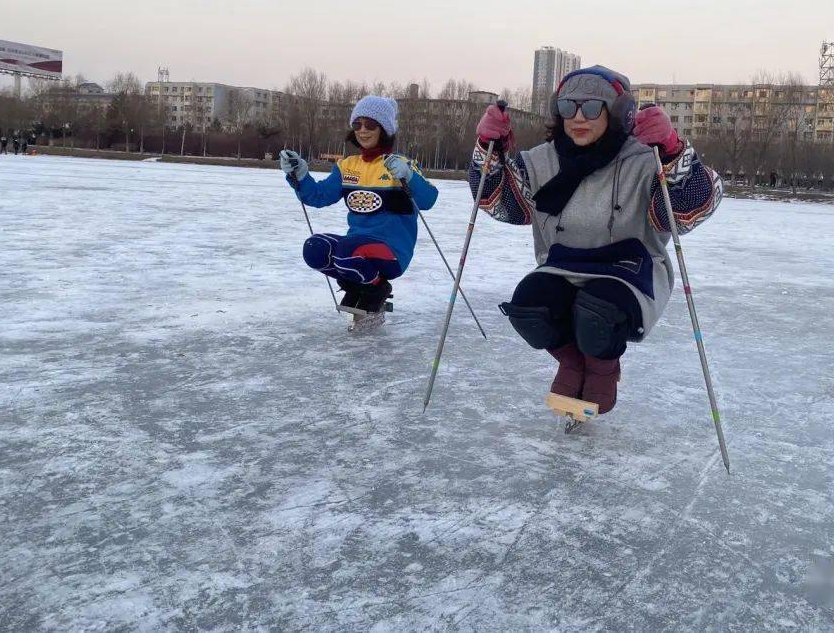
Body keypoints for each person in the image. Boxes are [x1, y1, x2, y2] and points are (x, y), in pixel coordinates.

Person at [469, 66, 722, 414]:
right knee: (528, 309)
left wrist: (673, 151)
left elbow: (691, 208)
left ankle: (602, 369)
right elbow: (501, 204)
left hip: (628, 268)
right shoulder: (542, 161)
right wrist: (488, 149)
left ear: (617, 112)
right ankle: (572, 362)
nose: (578, 118)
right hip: (562, 264)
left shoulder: (645, 159)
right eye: (569, 107)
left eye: (591, 108)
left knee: (597, 315)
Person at [279, 95, 438, 322]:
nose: (363, 130)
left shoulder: (399, 164)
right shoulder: (348, 166)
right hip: (355, 250)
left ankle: (377, 288)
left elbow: (428, 200)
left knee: (347, 250)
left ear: (384, 128)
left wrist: (409, 177)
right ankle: (357, 285)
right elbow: (318, 196)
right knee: (315, 248)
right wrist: (299, 175)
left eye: (370, 124)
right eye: (357, 124)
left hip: (391, 251)